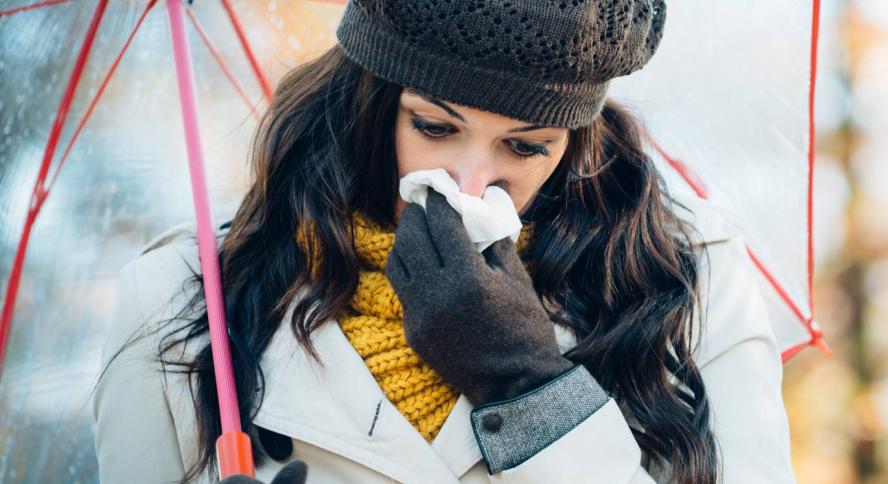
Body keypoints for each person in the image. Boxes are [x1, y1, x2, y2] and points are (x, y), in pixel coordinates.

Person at [92, 0, 795, 483]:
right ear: (369, 100)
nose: (470, 180)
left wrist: (530, 389)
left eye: (527, 146)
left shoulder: (684, 278)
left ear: (572, 140)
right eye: (433, 127)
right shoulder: (183, 301)